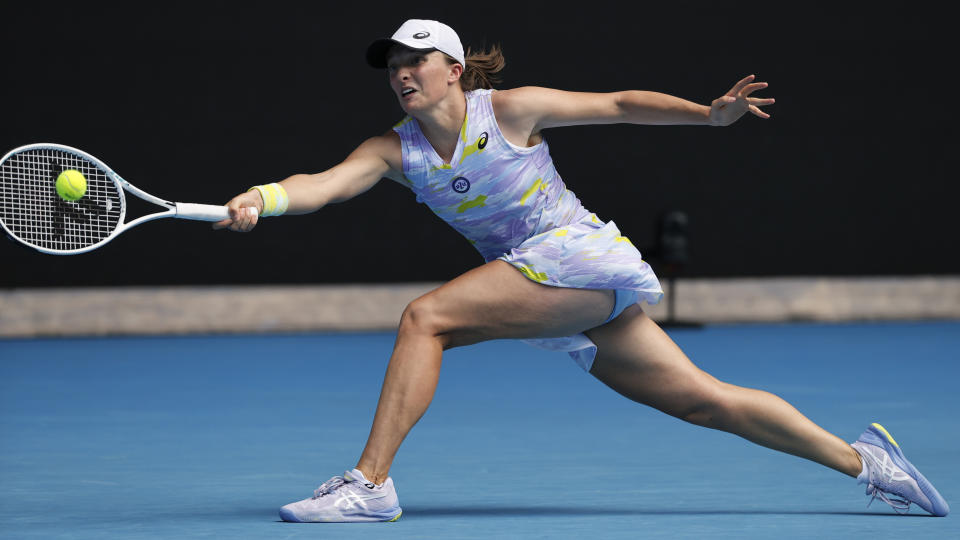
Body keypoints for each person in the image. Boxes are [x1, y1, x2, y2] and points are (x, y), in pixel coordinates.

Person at [215, 19, 949, 522]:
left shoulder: (509, 110)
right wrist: (264, 199)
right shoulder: (392, 151)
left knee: (425, 318)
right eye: (394, 66)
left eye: (417, 61)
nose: (403, 74)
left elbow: (621, 104)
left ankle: (370, 484)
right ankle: (867, 464)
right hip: (544, 284)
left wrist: (708, 114)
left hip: (576, 258)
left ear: (455, 69)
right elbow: (325, 181)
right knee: (703, 400)